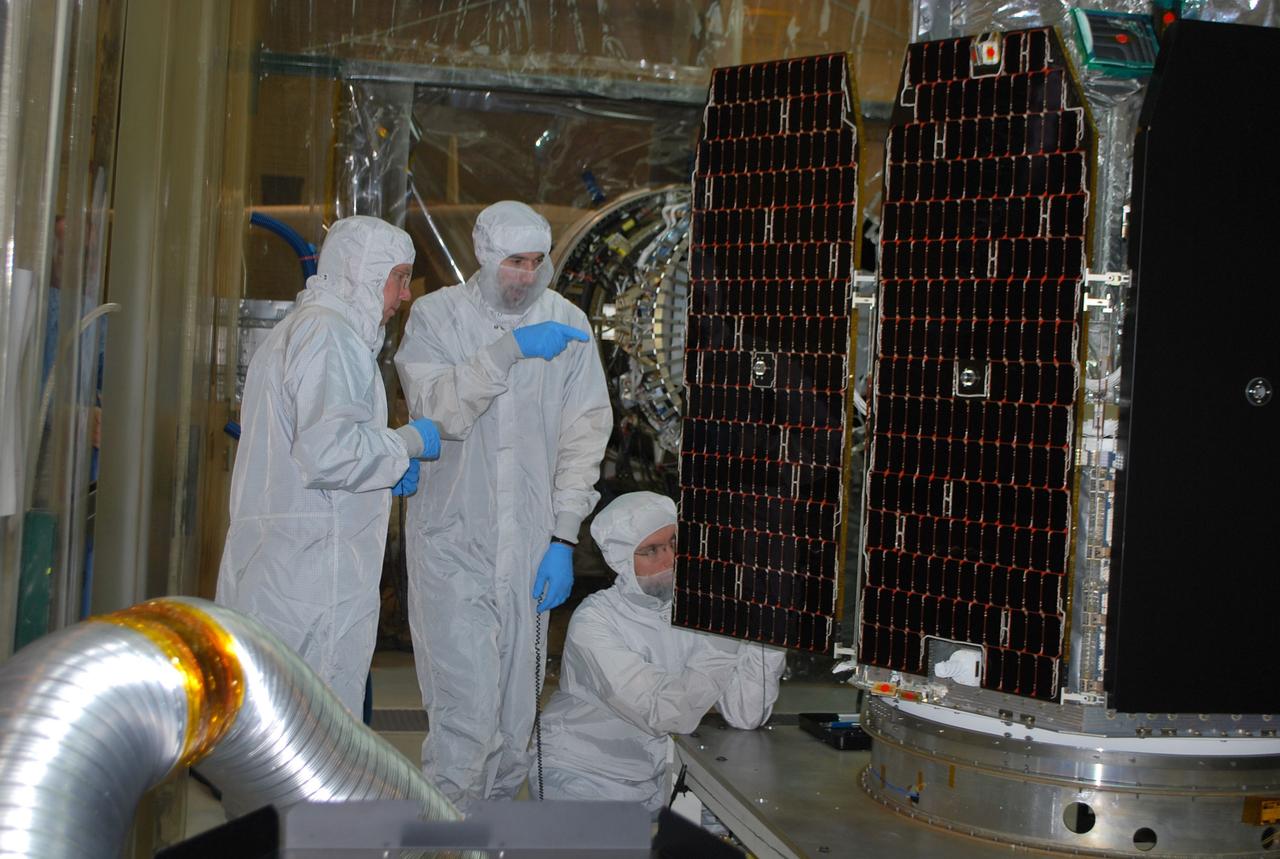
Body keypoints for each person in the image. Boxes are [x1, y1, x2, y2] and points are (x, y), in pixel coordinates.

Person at [395, 200, 612, 810]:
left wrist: (564, 538)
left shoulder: (567, 321)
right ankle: (442, 850)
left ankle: (482, 846)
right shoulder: (437, 318)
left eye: (536, 263)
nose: (525, 275)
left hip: (531, 550)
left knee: (515, 729)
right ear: (486, 257)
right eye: (514, 262)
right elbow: (436, 413)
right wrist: (506, 351)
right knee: (465, 724)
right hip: (452, 544)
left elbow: (583, 436)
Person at [216, 215, 440, 717]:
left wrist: (382, 467)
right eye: (399, 277)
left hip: (292, 570)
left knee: (282, 737)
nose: (404, 295)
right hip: (312, 580)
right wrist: (406, 442)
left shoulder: (310, 331)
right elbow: (330, 453)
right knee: (313, 742)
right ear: (362, 271)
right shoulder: (329, 337)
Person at [537, 491, 787, 813]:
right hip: (583, 779)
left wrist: (767, 637)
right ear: (621, 560)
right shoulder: (595, 623)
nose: (669, 559)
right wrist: (724, 642)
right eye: (651, 551)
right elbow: (667, 713)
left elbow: (745, 714)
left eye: (673, 543)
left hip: (657, 780)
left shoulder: (696, 608)